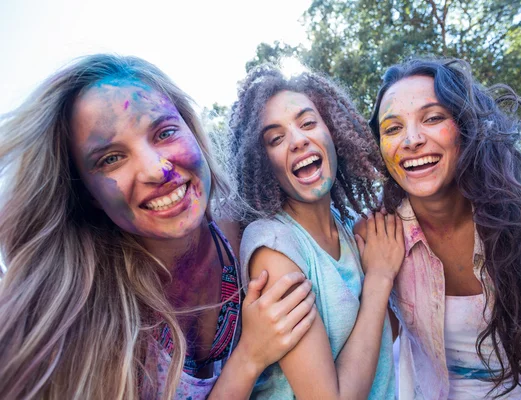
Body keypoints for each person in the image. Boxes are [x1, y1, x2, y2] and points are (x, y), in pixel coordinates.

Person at [0, 54, 319, 399]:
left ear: (192, 131)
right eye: (111, 158)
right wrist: (249, 358)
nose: (156, 169)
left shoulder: (252, 236)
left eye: (165, 132)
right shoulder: (73, 316)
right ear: (86, 193)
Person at [366, 58, 521, 399]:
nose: (412, 139)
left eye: (432, 118)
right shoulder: (378, 235)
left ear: (466, 128)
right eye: (392, 128)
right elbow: (375, 359)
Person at [228, 65, 403, 399]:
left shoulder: (348, 228)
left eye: (308, 123)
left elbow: (381, 340)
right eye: (276, 138)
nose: (298, 140)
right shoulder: (274, 246)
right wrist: (380, 278)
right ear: (263, 161)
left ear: (332, 134)